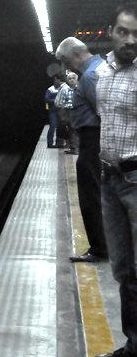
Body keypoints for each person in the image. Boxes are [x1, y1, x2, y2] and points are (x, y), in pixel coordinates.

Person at [92, 1, 137, 357]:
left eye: (136, 34)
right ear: (111, 32)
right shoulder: (102, 72)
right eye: (123, 31)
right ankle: (133, 343)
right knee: (122, 269)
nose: (130, 40)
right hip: (110, 180)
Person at [56, 36, 107, 262]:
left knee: (90, 196)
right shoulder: (98, 69)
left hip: (93, 140)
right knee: (96, 194)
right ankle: (103, 245)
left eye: (67, 61)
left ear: (76, 55)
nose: (68, 67)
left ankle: (99, 248)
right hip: (93, 140)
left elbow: (105, 112)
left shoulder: (90, 76)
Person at [54, 71, 78, 154]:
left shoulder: (80, 89)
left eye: (73, 78)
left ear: (76, 79)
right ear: (67, 80)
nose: (72, 80)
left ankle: (76, 148)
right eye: (70, 79)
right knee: (71, 130)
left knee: (76, 130)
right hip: (69, 112)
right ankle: (73, 148)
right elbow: (60, 102)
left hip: (78, 112)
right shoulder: (65, 90)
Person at [44, 75, 64, 147]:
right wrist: (55, 101)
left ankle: (59, 143)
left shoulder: (63, 88)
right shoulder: (50, 89)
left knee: (61, 127)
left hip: (61, 111)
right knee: (53, 125)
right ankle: (50, 143)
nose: (56, 81)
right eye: (55, 80)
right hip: (53, 111)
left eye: (57, 80)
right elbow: (46, 99)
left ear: (60, 80)